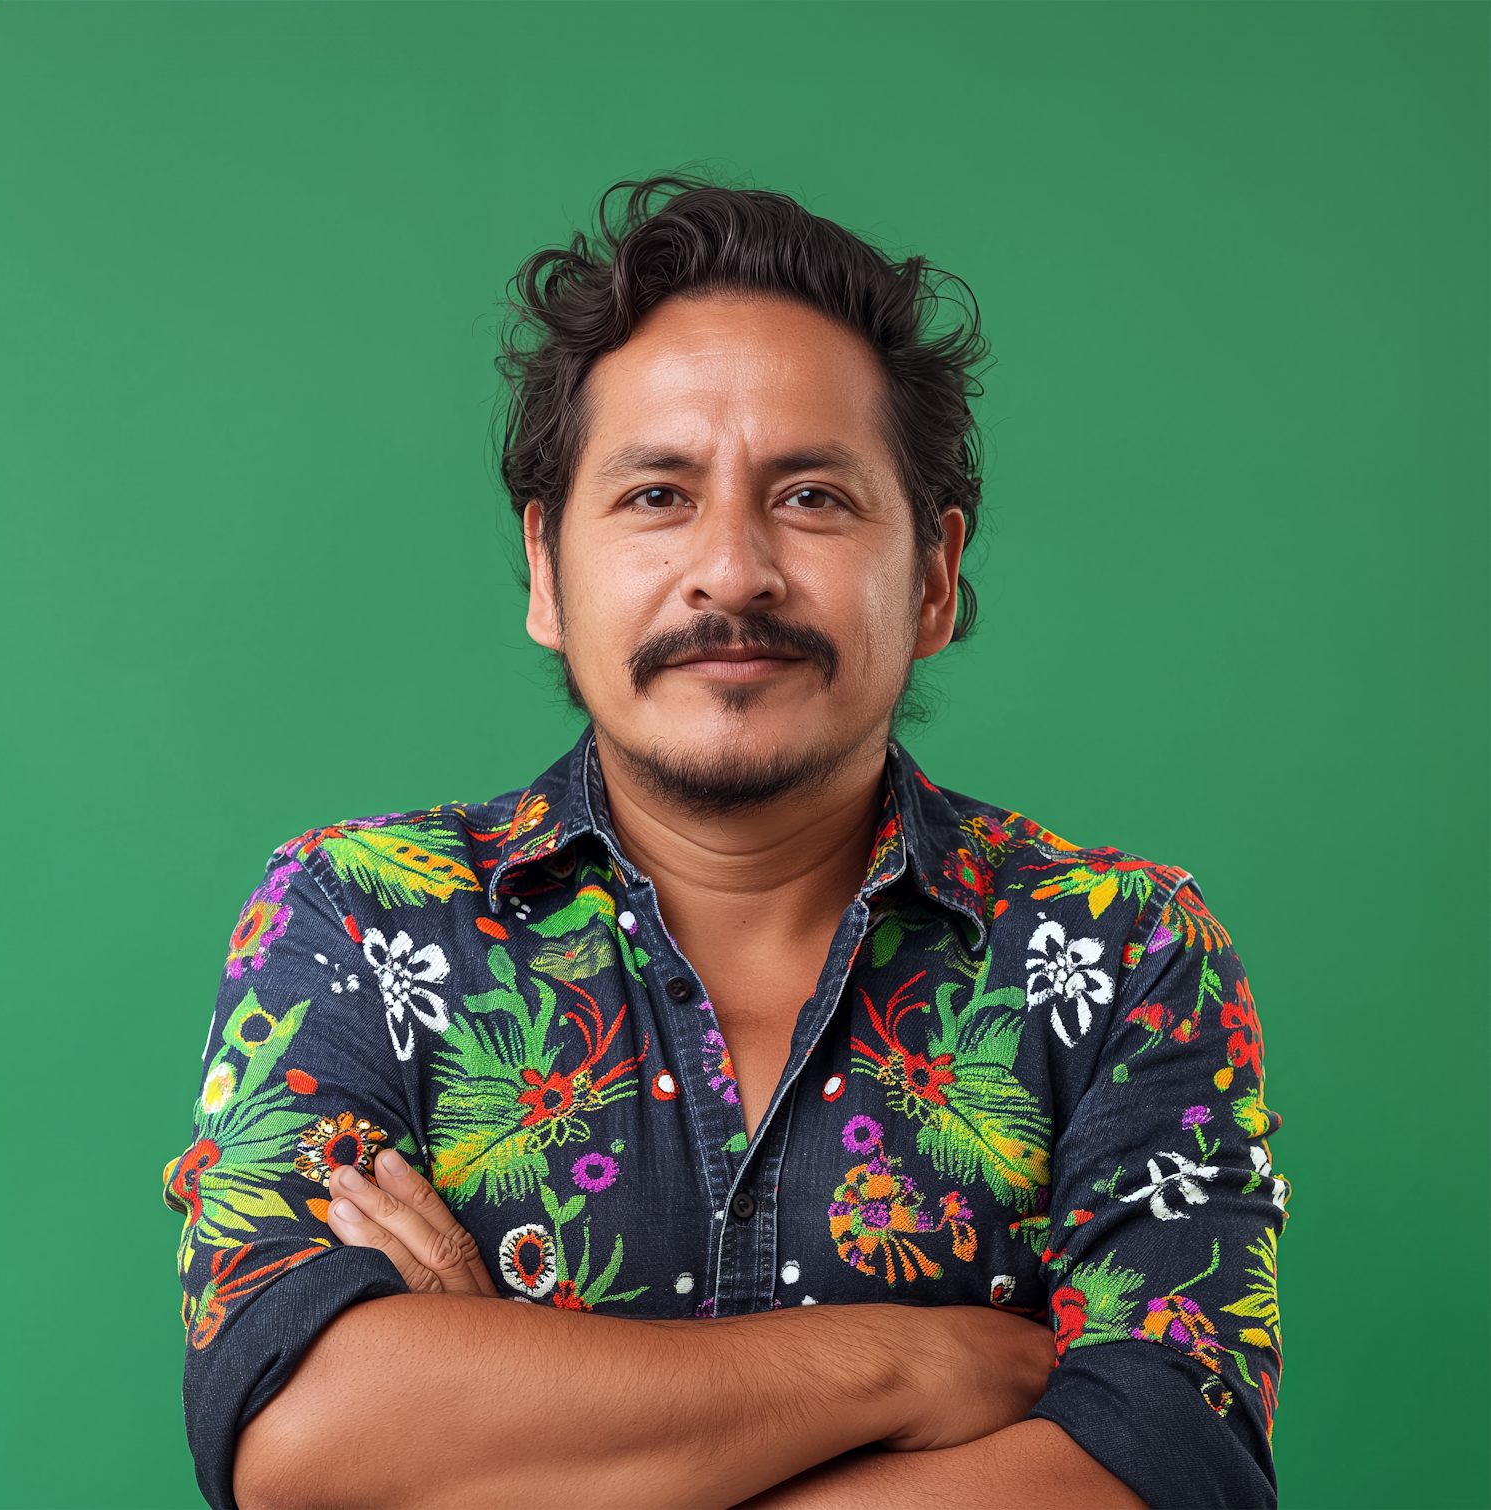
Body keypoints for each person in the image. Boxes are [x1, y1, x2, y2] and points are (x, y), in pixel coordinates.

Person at [166, 178, 1286, 1510]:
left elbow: (1169, 1469)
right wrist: (904, 1363)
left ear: (932, 575)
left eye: (812, 495)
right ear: (546, 569)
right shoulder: (354, 921)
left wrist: (514, 1422)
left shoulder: (1129, 951)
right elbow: (298, 1438)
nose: (733, 570)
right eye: (655, 495)